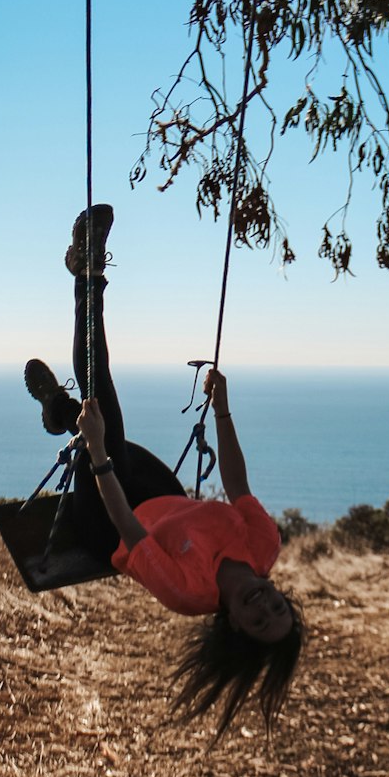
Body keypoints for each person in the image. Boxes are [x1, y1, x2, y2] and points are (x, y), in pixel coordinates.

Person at [23, 204, 305, 741]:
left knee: (101, 399)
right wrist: (223, 408)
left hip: (108, 518)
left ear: (237, 628)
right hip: (164, 494)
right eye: (278, 608)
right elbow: (239, 486)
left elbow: (128, 528)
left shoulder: (187, 592)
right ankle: (60, 414)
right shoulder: (265, 546)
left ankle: (87, 272)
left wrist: (100, 452)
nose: (265, 606)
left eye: (260, 621)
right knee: (97, 418)